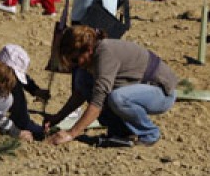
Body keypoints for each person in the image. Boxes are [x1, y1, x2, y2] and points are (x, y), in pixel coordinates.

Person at [45, 25, 178, 147]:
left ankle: (150, 133)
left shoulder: (105, 54)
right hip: (140, 89)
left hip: (161, 92)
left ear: (89, 50)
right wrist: (57, 118)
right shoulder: (92, 58)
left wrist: (72, 133)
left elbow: (97, 103)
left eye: (75, 59)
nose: (76, 65)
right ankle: (121, 131)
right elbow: (79, 94)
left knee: (117, 98)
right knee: (83, 80)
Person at [0, 43, 50, 140]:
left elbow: (23, 79)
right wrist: (19, 131)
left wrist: (35, 90)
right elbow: (20, 121)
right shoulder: (9, 85)